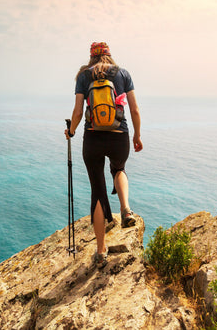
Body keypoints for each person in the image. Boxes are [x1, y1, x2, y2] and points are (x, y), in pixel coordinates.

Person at [65, 42, 143, 268]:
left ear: (91, 57)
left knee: (97, 190)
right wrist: (137, 135)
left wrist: (71, 131)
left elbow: (78, 111)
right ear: (109, 56)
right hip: (120, 134)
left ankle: (101, 250)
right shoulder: (123, 73)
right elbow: (135, 109)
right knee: (119, 169)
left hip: (93, 138)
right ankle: (125, 209)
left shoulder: (83, 76)